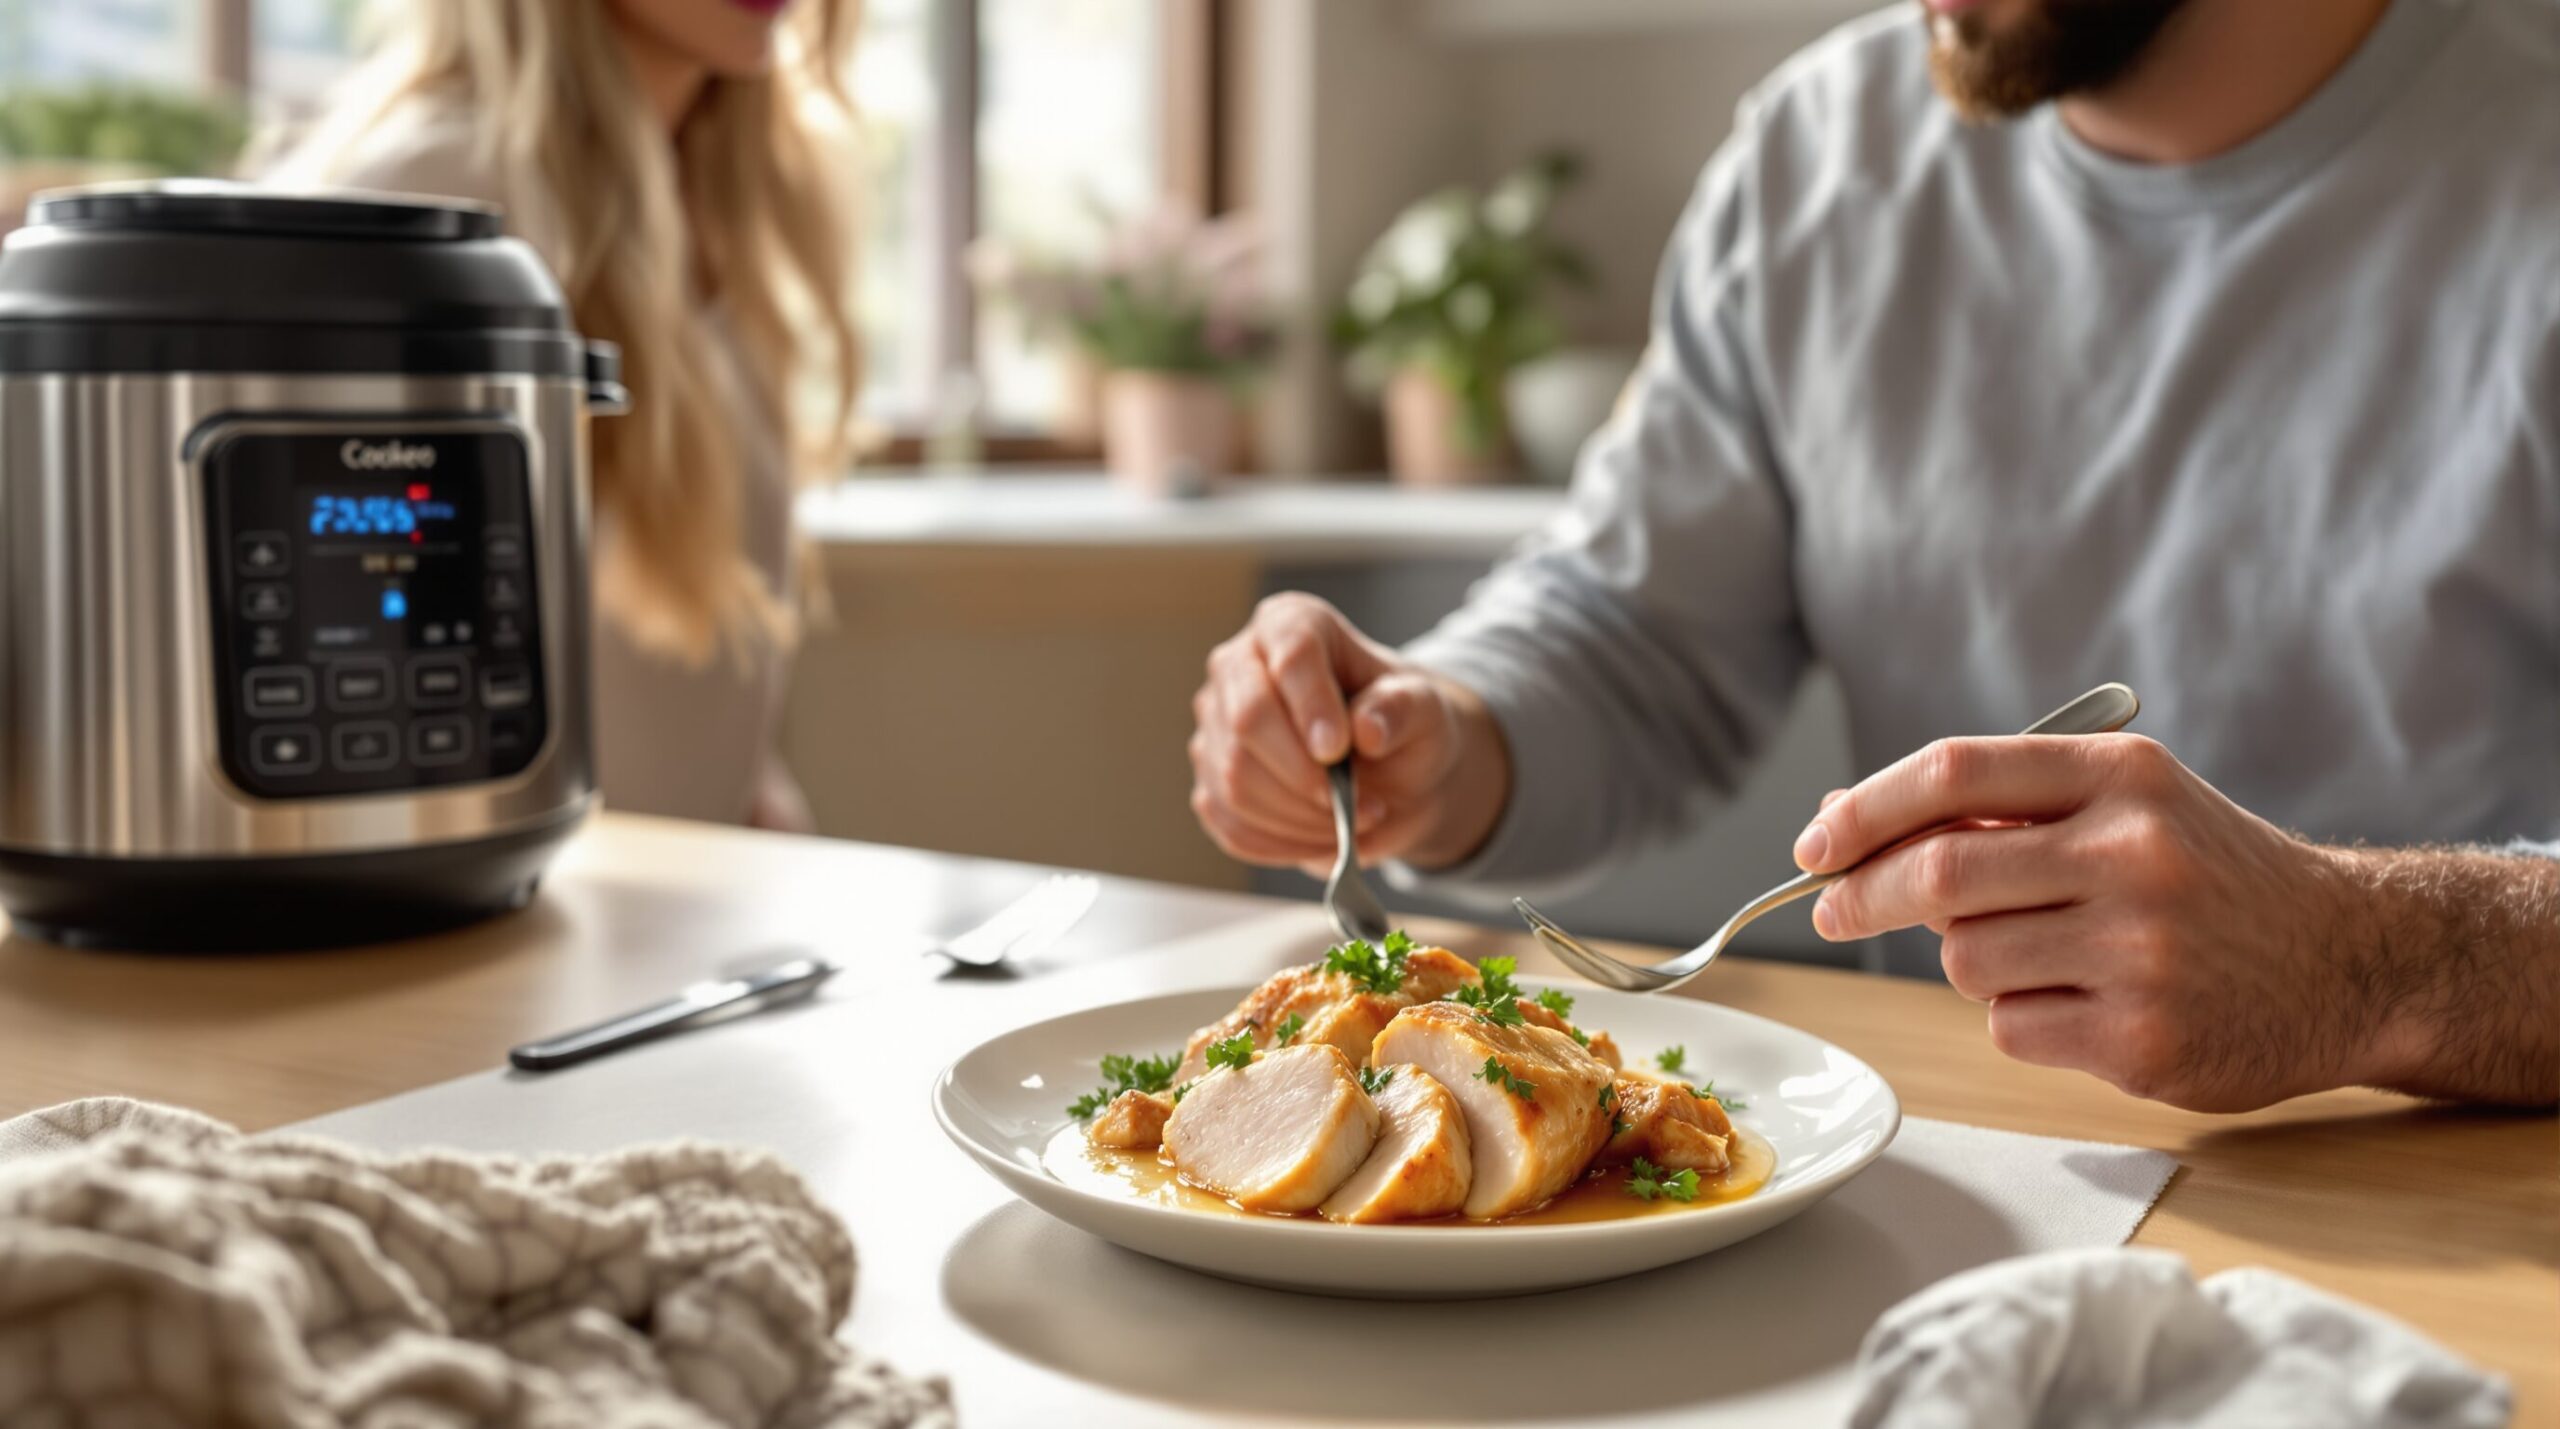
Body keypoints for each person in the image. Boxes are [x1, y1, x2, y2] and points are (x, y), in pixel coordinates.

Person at [1187, 0, 2560, 1113]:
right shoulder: (1817, 156)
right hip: (1979, 1183)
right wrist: (1434, 731)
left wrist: (2364, 961)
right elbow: (1632, 635)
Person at [266, 0, 862, 829]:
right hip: (522, 915)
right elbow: (356, 672)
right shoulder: (442, 196)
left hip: (666, 909)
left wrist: (752, 788)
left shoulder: (713, 190)